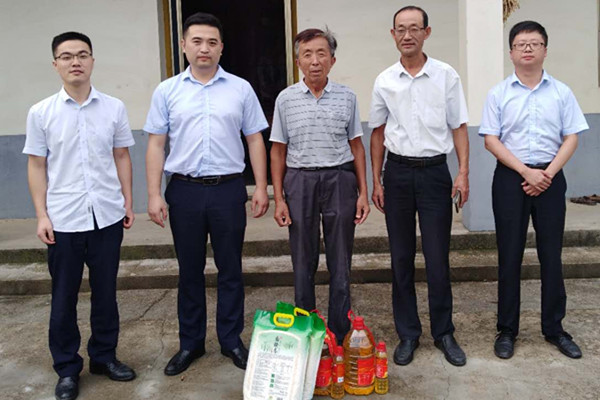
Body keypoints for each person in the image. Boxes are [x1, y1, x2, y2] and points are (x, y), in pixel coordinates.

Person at [144, 12, 269, 374]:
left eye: (212, 42)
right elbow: (156, 144)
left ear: (221, 48)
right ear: (184, 45)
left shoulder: (240, 89)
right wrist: (154, 194)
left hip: (228, 190)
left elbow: (254, 139)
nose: (204, 48)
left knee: (231, 269)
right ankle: (191, 343)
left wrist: (261, 187)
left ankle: (231, 340)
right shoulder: (167, 91)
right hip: (184, 190)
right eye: (197, 41)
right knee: (189, 270)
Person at [24, 31, 136, 400]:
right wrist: (41, 215)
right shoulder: (41, 112)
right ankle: (67, 368)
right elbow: (37, 165)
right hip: (63, 220)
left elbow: (122, 156)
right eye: (67, 56)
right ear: (55, 64)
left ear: (92, 61)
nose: (76, 62)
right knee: (64, 298)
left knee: (106, 293)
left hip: (106, 215)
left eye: (83, 54)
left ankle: (104, 357)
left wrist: (127, 202)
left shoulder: (113, 108)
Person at [480, 21, 588, 360]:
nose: (527, 48)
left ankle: (554, 328)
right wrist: (526, 172)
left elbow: (571, 136)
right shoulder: (498, 93)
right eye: (521, 44)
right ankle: (506, 330)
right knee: (509, 254)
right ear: (511, 52)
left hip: (550, 178)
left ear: (545, 50)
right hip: (511, 178)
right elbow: (491, 139)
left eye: (535, 43)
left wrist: (547, 174)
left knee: (551, 255)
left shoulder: (561, 92)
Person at [369, 6, 470, 367]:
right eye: (401, 29)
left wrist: (463, 173)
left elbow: (459, 126)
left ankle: (444, 332)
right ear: (392, 34)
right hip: (396, 174)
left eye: (414, 28)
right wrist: (376, 180)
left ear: (427, 32)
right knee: (400, 258)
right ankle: (408, 334)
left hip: (434, 173)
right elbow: (377, 133)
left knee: (438, 257)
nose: (407, 35)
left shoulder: (446, 75)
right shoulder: (385, 80)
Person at [270, 28, 370, 342]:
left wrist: (364, 193)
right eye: (307, 54)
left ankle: (339, 332)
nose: (315, 61)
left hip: (339, 179)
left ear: (332, 60)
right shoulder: (286, 99)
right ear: (298, 61)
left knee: (341, 260)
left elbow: (356, 146)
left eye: (321, 53)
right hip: (300, 180)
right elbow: (278, 150)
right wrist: (279, 198)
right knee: (303, 259)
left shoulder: (347, 97)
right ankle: (306, 330)